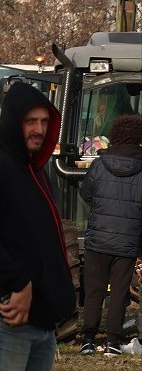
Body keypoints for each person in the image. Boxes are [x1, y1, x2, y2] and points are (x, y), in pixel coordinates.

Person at [0, 81, 75, 370]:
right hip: (5, 319)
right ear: (13, 123)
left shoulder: (37, 173)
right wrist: (19, 283)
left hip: (42, 323)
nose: (39, 129)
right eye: (30, 121)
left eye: (45, 121)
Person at [78, 113, 142, 356]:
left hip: (97, 238)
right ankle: (113, 342)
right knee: (119, 292)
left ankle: (88, 340)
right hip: (127, 241)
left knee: (93, 289)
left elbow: (86, 194)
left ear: (115, 136)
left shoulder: (99, 164)